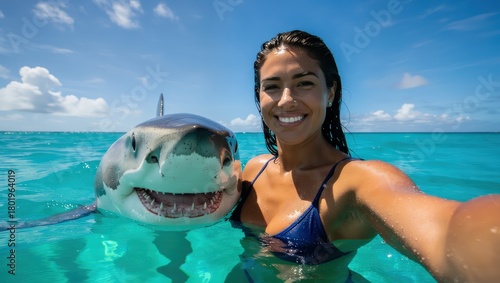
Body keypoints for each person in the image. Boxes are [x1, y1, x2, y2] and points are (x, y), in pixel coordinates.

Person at [230, 30, 500, 282]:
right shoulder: (254, 169)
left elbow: (444, 233)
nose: (287, 99)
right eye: (272, 87)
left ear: (330, 93)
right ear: (259, 95)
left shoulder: (357, 182)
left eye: (304, 83)